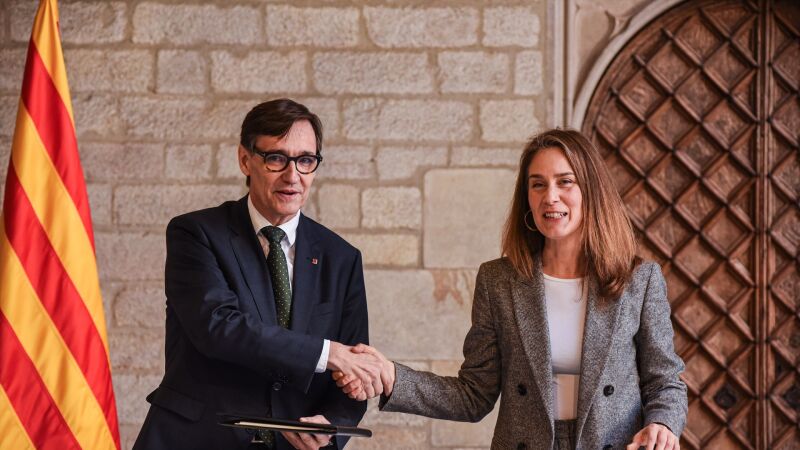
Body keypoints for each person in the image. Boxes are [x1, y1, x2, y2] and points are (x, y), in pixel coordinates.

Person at [336, 129, 688, 450]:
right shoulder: (498, 281)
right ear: (527, 199)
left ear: (591, 190)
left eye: (565, 182)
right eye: (537, 184)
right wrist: (392, 377)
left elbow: (664, 382)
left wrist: (662, 424)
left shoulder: (638, 280)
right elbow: (473, 395)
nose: (550, 197)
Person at [134, 99, 383, 450]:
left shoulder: (341, 258)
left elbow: (351, 370)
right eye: (276, 158)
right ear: (245, 159)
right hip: (196, 439)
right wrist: (327, 353)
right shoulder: (196, 233)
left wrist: (333, 425)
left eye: (305, 161)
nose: (292, 176)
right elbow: (218, 327)